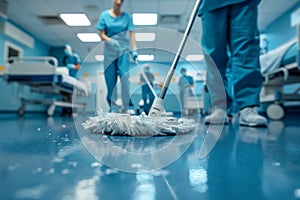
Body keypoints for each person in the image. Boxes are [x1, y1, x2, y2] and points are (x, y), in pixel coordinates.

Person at [198, 0, 267, 126]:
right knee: (214, 55)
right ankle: (220, 107)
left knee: (246, 50)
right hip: (211, 3)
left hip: (244, 2)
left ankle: (248, 107)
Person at [96, 0, 138, 114]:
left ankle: (127, 106)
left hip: (123, 49)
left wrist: (134, 50)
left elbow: (132, 34)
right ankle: (113, 107)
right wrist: (109, 40)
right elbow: (101, 33)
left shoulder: (127, 17)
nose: (119, 1)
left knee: (125, 78)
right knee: (110, 80)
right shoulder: (104, 15)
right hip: (110, 49)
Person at [60, 44, 81, 116]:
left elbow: (78, 66)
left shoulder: (75, 56)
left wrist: (73, 66)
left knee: (72, 96)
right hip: (66, 79)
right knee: (64, 95)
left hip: (73, 78)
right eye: (64, 49)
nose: (65, 51)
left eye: (66, 49)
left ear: (70, 49)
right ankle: (64, 110)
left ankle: (72, 111)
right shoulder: (65, 58)